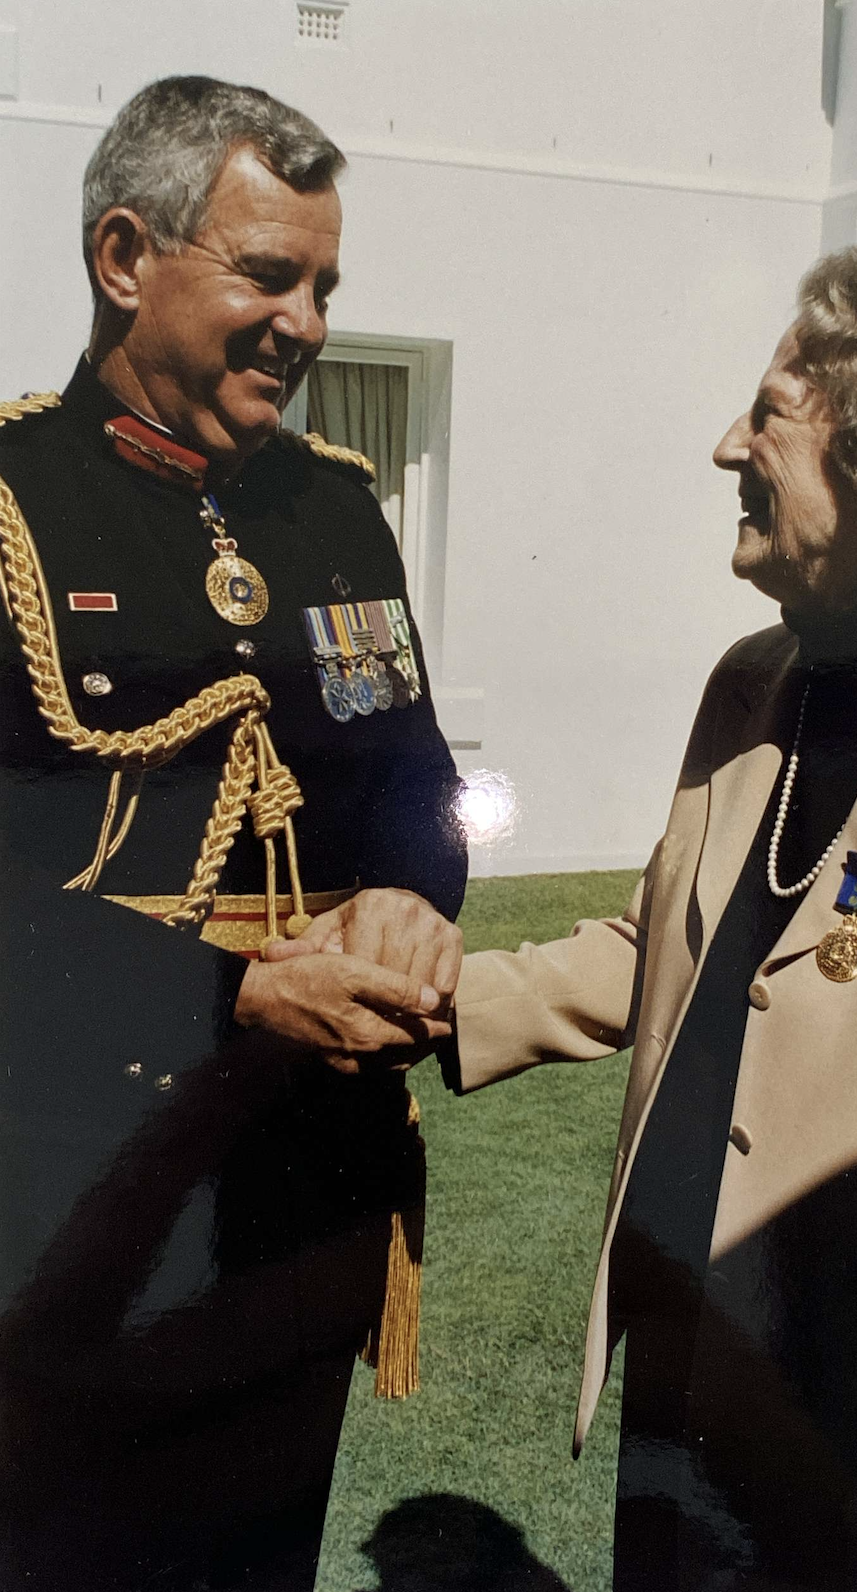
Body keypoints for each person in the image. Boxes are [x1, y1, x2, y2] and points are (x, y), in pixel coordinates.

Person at [294, 246, 857, 1591]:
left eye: (769, 416)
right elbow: (664, 950)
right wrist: (429, 997)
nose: (723, 447)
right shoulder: (757, 683)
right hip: (685, 1360)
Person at [0, 76, 465, 1592]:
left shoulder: (337, 511)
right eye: (270, 275)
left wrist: (410, 892)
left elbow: (415, 772)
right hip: (76, 1191)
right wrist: (234, 997)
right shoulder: (11, 502)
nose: (312, 324)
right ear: (125, 257)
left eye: (326, 285)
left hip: (307, 1183)